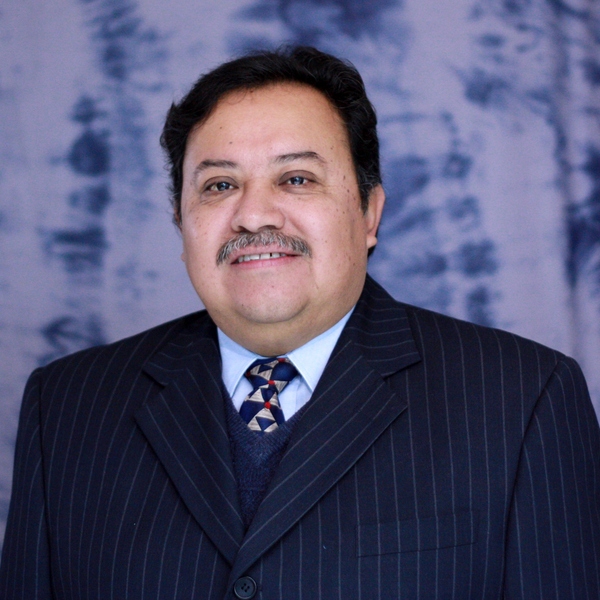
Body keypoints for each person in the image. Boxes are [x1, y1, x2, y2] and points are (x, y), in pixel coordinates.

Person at [1, 46, 599, 600]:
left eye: (296, 179)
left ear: (369, 213)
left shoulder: (524, 399)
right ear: (182, 225)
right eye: (219, 185)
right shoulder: (66, 408)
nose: (254, 215)